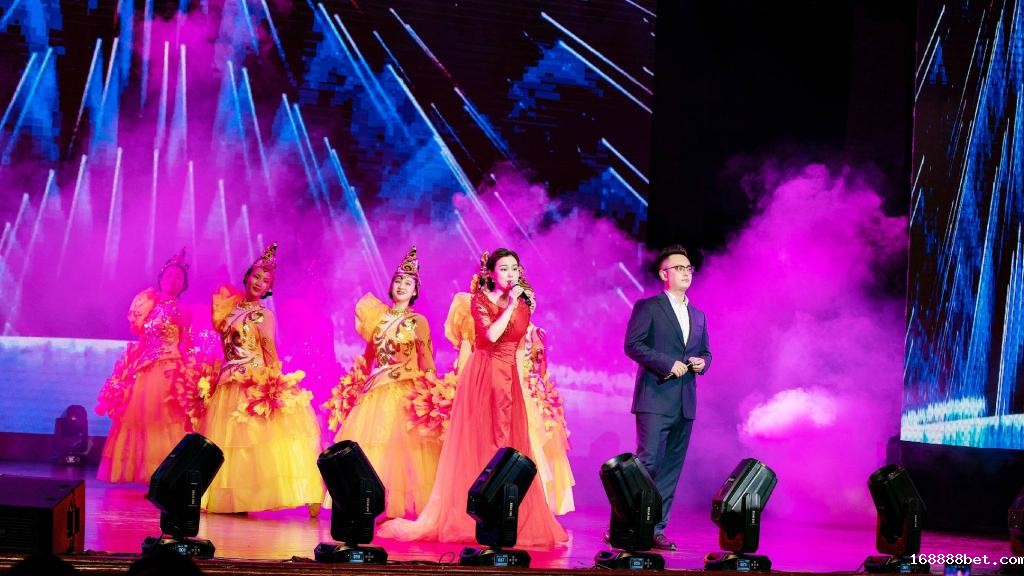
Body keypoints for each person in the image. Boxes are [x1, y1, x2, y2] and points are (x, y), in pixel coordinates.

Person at [378, 249, 568, 548]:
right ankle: (473, 516)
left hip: (509, 379)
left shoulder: (524, 305)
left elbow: (518, 345)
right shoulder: (479, 300)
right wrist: (509, 306)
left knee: (510, 444)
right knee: (480, 442)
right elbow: (490, 336)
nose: (510, 274)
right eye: (503, 269)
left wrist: (519, 307)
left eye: (514, 269)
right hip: (483, 374)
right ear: (491, 273)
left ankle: (507, 515)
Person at [198, 243, 323, 514]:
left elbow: (269, 350)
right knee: (227, 442)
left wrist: (273, 384)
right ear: (247, 277)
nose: (259, 282)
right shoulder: (229, 311)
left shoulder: (265, 315)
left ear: (269, 288)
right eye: (256, 276)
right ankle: (230, 499)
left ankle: (254, 497)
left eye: (265, 281)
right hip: (227, 381)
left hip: (251, 382)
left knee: (252, 441)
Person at [323, 246, 445, 519]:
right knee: (369, 447)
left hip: (405, 392)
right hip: (375, 391)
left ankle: (396, 506)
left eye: (408, 283)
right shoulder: (377, 319)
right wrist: (354, 384)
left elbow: (426, 360)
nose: (402, 286)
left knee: (400, 451)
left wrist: (432, 396)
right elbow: (368, 358)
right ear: (391, 286)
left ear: (415, 291)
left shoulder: (418, 321)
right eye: (398, 281)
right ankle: (365, 502)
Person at [443, 266, 574, 515]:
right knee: (491, 438)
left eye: (531, 299)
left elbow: (538, 364)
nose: (529, 303)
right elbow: (490, 343)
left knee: (525, 442)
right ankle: (484, 498)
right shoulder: (492, 315)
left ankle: (520, 502)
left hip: (522, 385)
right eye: (504, 269)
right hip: (495, 379)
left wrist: (537, 386)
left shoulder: (532, 327)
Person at [624, 244, 711, 551]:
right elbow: (633, 345)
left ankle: (655, 528)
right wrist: (666, 363)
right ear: (664, 274)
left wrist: (702, 362)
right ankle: (625, 525)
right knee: (646, 464)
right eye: (679, 268)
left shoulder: (698, 315)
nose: (686, 273)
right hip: (655, 398)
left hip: (685, 402)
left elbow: (707, 352)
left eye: (689, 268)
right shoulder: (648, 307)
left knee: (671, 469)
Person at [96, 249, 197, 484]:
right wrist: (129, 366)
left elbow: (187, 342)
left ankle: (166, 473)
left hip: (168, 368)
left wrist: (190, 371)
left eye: (179, 277)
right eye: (170, 275)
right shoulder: (148, 305)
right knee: (137, 418)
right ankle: (139, 471)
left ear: (184, 285)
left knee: (164, 418)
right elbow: (142, 339)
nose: (173, 280)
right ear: (161, 278)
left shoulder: (183, 310)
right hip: (143, 367)